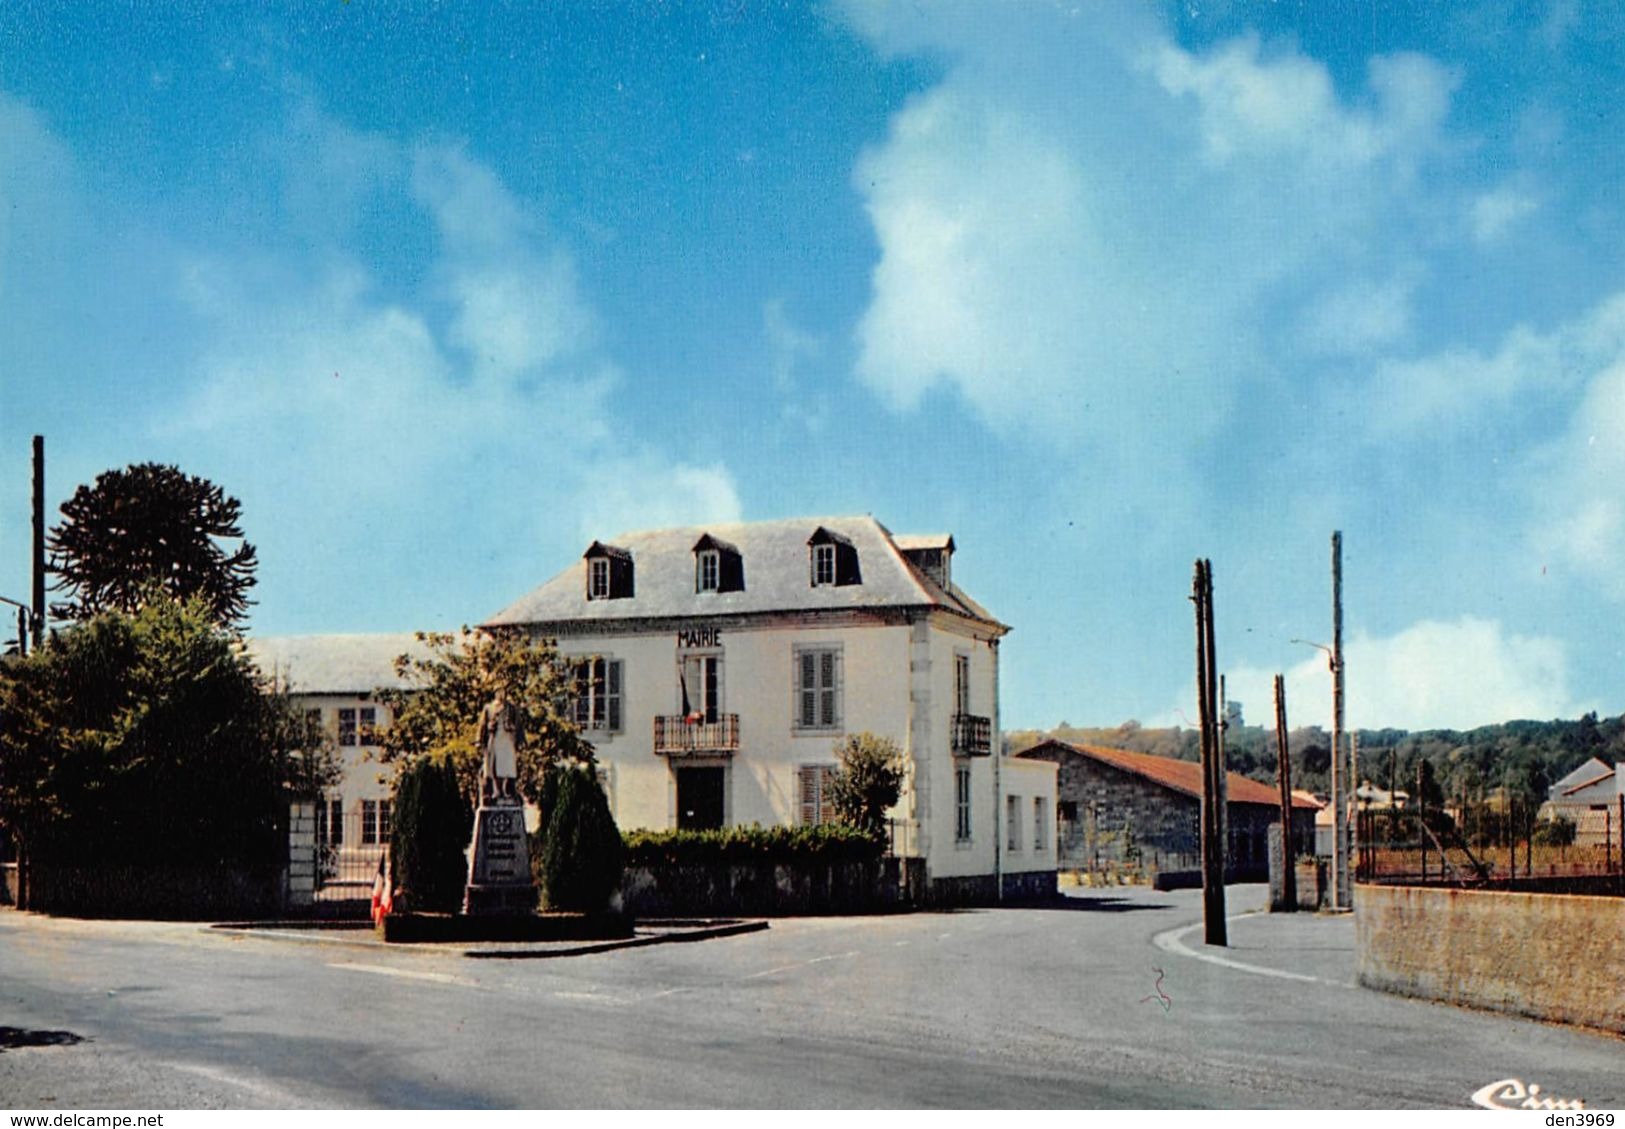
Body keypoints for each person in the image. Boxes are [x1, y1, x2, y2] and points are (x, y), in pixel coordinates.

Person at [477, 690, 520, 803]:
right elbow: (482, 725)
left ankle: (506, 791)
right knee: (494, 766)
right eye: (499, 692)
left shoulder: (511, 708)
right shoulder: (489, 707)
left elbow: (518, 724)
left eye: (503, 692)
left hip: (507, 739)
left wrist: (519, 738)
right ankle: (497, 790)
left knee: (507, 767)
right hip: (494, 738)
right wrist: (479, 740)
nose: (501, 695)